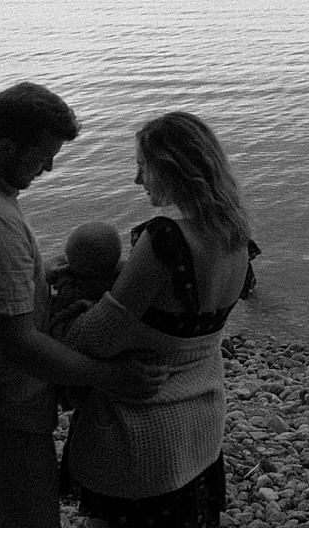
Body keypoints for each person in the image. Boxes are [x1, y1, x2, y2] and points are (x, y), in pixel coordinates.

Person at [0, 82, 161, 527]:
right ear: (7, 146)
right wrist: (111, 376)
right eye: (42, 156)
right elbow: (19, 345)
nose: (48, 168)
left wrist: (35, 277)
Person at [60, 111, 255, 526]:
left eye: (141, 167)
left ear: (169, 168)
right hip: (201, 426)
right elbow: (178, 309)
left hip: (146, 437)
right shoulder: (235, 235)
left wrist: (72, 301)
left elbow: (96, 338)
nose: (137, 180)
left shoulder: (165, 238)